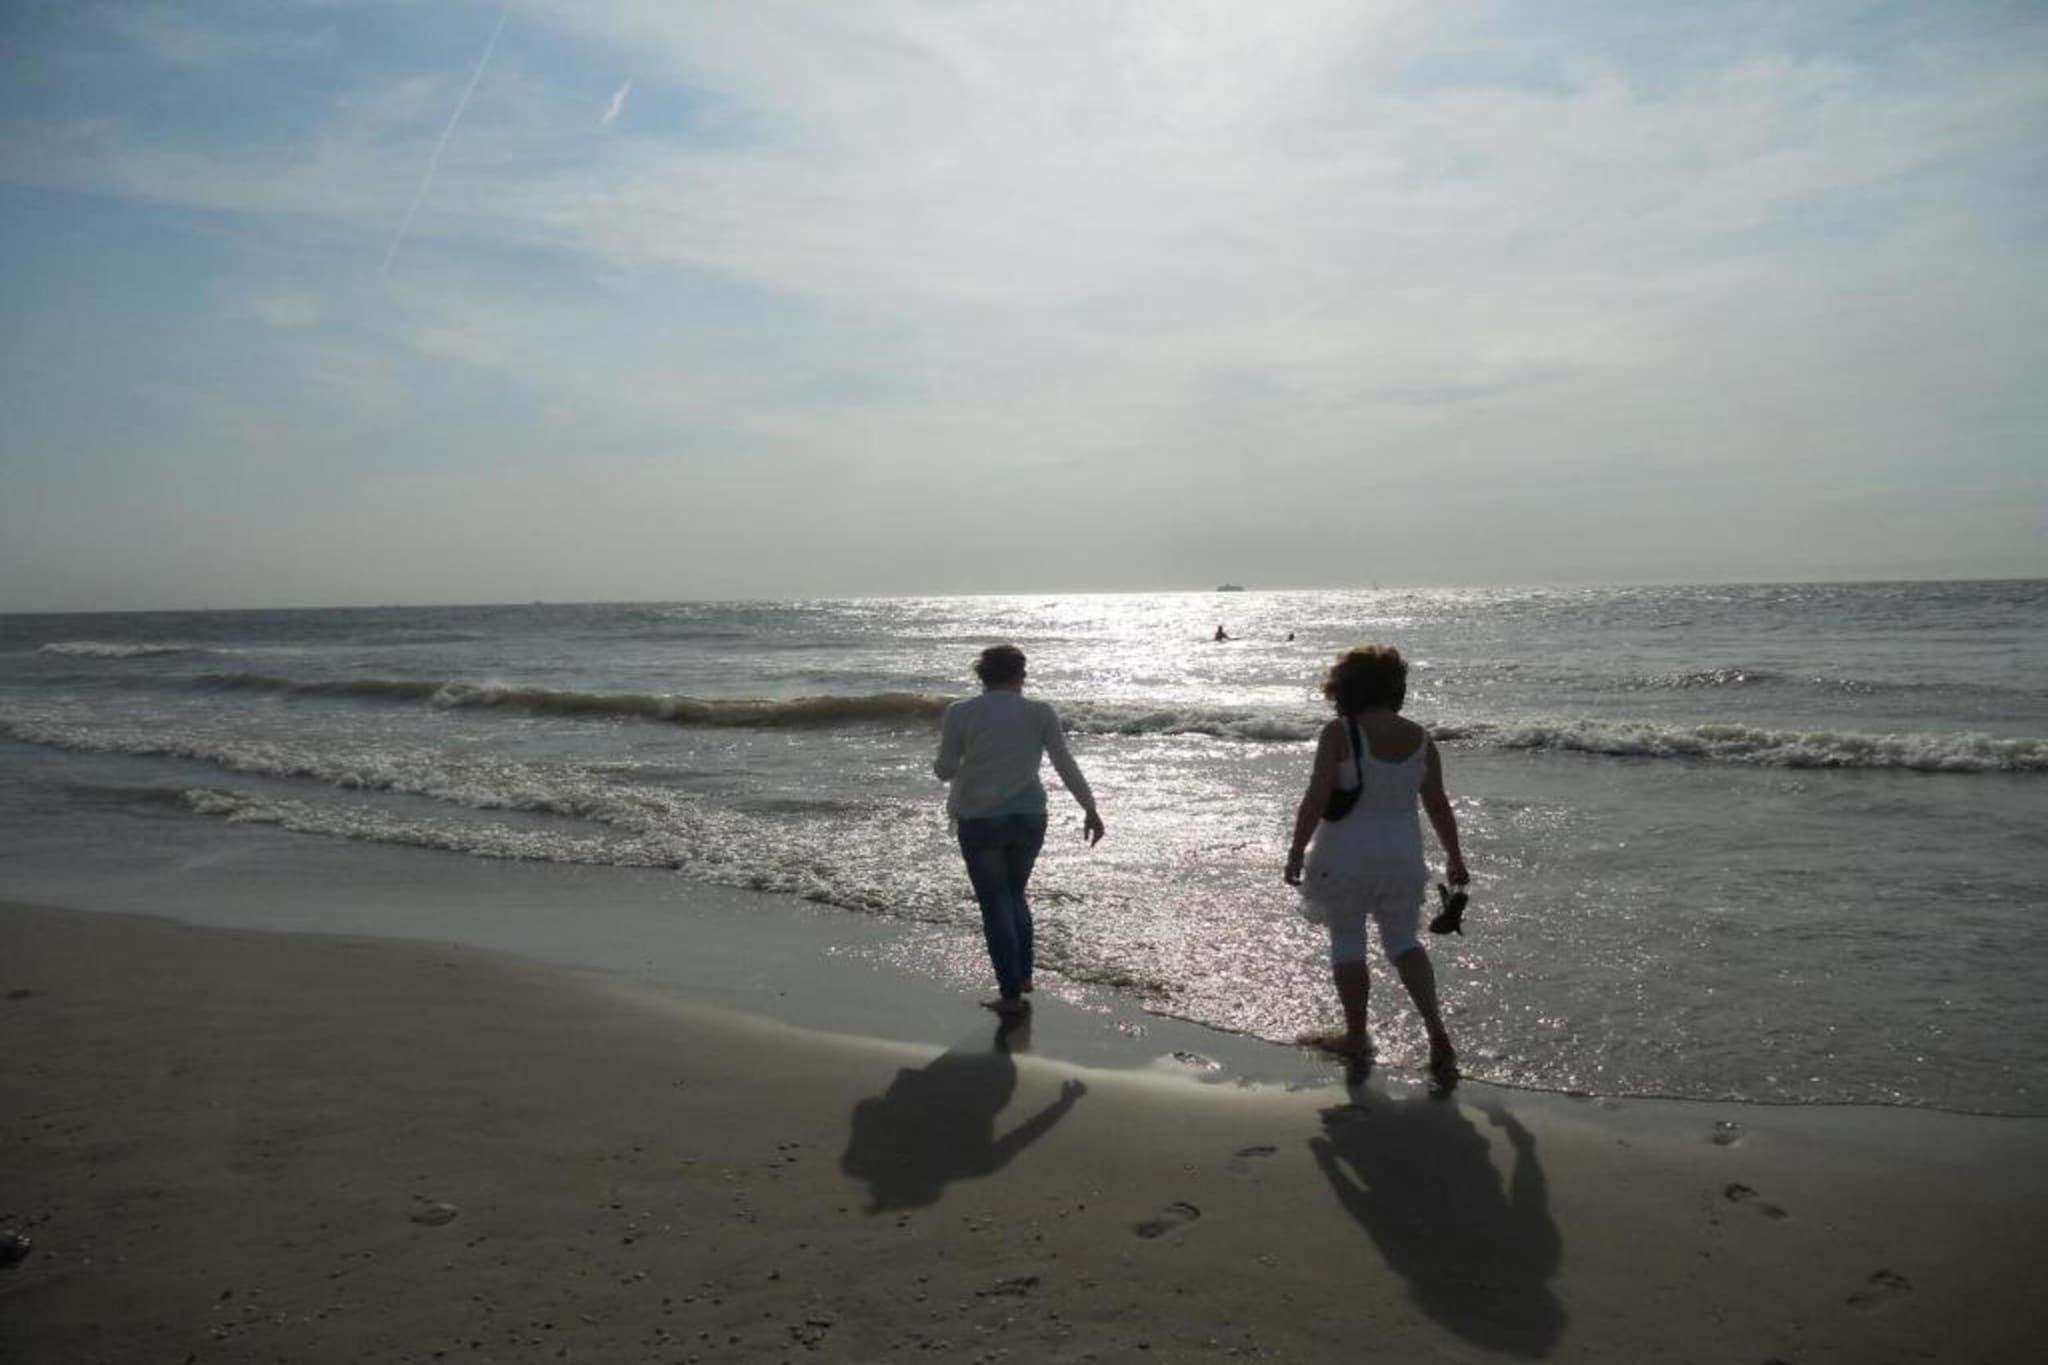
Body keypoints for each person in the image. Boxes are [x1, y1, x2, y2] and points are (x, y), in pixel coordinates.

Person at [1284, 645, 1467, 1075]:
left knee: (1348, 940)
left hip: (1343, 855)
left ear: (1345, 687)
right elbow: (1438, 804)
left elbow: (1317, 797)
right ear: (1394, 687)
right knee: (1403, 942)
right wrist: (1454, 856)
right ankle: (1437, 1034)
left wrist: (1296, 849)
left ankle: (1356, 1037)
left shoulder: (1339, 732)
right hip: (1401, 857)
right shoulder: (1421, 738)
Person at [935, 644, 1105, 1016]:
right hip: (1029, 816)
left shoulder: (960, 712)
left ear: (981, 676)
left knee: (995, 902)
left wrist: (970, 760)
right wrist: (1090, 808)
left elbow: (945, 769)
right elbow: (1064, 762)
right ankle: (1023, 975)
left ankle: (1010, 994)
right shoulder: (1040, 712)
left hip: (980, 819)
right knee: (1014, 894)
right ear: (1020, 675)